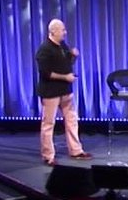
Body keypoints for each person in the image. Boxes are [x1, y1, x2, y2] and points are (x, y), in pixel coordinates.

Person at [34, 19, 92, 166]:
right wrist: (65, 77)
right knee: (48, 123)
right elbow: (45, 73)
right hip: (51, 92)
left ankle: (76, 150)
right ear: (53, 31)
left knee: (72, 120)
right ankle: (48, 156)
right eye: (62, 30)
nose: (65, 32)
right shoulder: (44, 49)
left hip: (66, 91)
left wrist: (73, 56)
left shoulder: (62, 45)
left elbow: (67, 64)